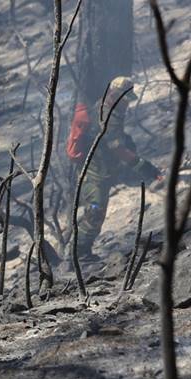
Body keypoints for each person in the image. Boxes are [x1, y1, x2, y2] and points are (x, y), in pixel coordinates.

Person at [67, 76, 162, 261]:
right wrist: (145, 167)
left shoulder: (109, 110)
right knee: (95, 212)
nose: (127, 104)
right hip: (94, 176)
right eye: (124, 99)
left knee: (95, 211)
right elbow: (118, 149)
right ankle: (78, 255)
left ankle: (79, 252)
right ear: (115, 94)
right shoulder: (107, 116)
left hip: (103, 172)